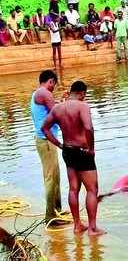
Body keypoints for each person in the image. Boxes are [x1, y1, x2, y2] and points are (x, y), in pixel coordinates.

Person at [42, 80, 105, 236]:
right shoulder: (82, 106)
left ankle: (77, 225)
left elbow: (44, 128)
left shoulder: (58, 108)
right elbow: (88, 127)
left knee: (73, 189)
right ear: (82, 93)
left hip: (68, 151)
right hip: (83, 152)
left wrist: (59, 144)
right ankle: (92, 228)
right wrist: (91, 148)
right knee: (92, 189)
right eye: (84, 95)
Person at [31, 70, 63, 223]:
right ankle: (50, 216)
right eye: (54, 85)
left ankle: (57, 210)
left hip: (46, 140)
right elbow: (56, 113)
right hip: (46, 141)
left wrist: (62, 103)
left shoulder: (38, 93)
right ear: (51, 81)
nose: (53, 89)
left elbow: (53, 110)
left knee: (55, 177)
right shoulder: (44, 93)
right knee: (51, 178)